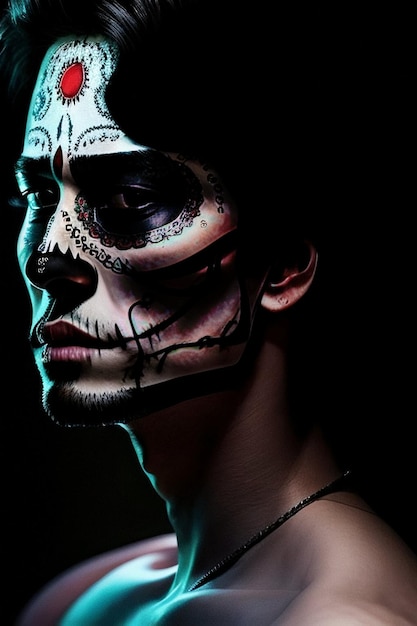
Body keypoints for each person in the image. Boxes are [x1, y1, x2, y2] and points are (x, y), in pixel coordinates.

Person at [1, 0, 417, 624]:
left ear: (282, 266)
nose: (49, 258)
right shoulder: (88, 598)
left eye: (129, 197)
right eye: (38, 195)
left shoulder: (343, 617)